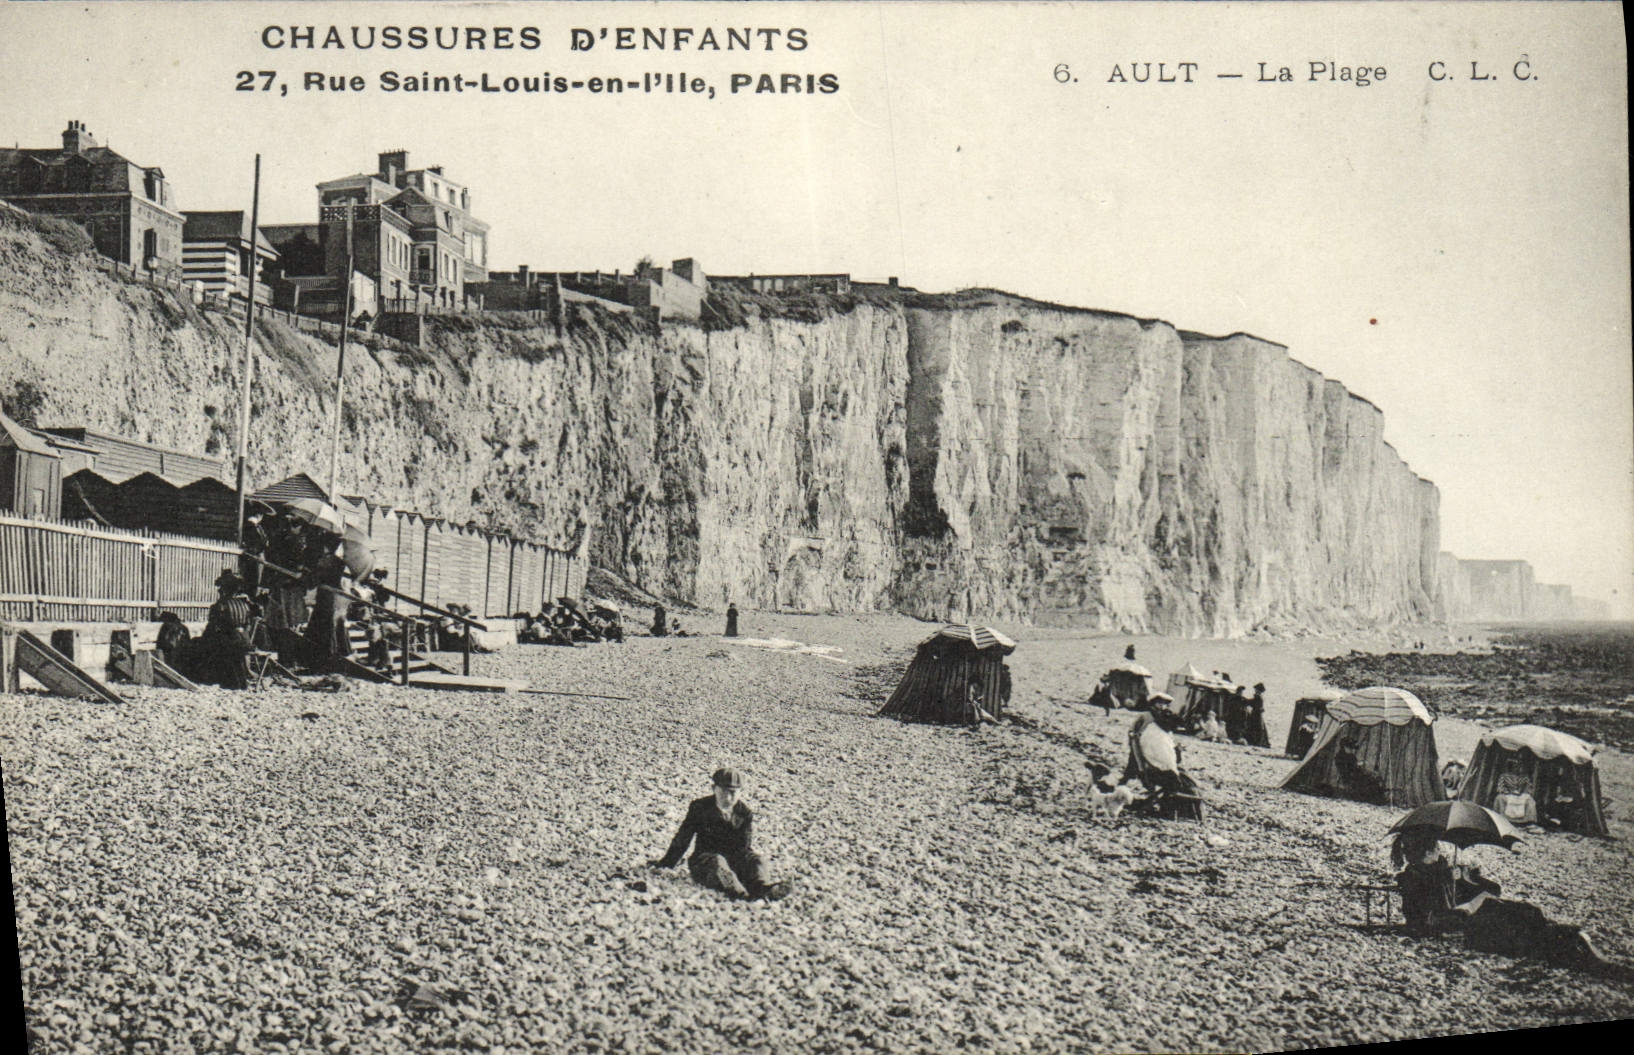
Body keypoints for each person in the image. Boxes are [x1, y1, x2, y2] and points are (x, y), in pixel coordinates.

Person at [1391, 831, 1629, 977]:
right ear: (1424, 853)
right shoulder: (1413, 879)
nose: (1440, 852)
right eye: (1435, 849)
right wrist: (1459, 903)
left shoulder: (1441, 871)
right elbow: (1425, 921)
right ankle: (1567, 947)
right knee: (1520, 923)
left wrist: (1469, 878)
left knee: (1527, 911)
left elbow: (1493, 890)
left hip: (1472, 916)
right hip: (1466, 924)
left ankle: (1568, 940)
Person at [652, 768, 791, 902]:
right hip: (704, 862)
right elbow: (683, 838)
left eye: (733, 792)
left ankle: (762, 888)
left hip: (732, 861)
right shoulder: (700, 807)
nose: (728, 797)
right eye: (724, 791)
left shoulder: (744, 813)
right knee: (717, 862)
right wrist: (666, 863)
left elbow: (744, 846)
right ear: (714, 789)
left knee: (757, 860)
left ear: (740, 792)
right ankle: (741, 895)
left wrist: (749, 865)